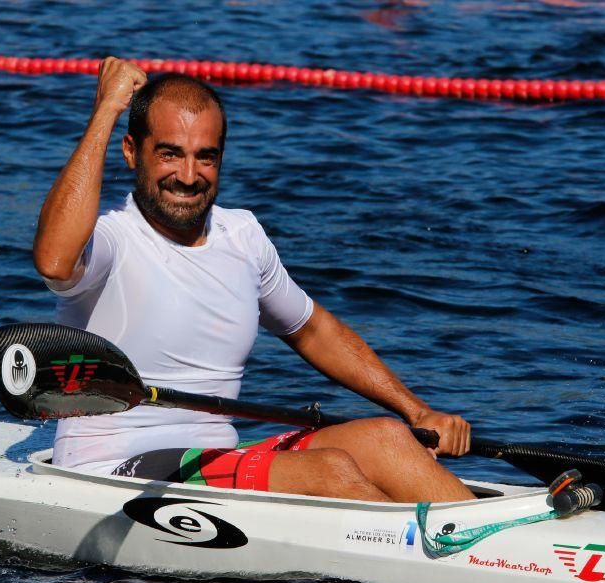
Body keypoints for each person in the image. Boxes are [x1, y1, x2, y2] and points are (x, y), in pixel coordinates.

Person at [33, 57, 475, 502]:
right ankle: (446, 563)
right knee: (329, 472)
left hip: (211, 460)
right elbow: (53, 260)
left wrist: (419, 411)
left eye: (205, 157)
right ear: (131, 152)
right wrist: (106, 110)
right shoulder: (111, 237)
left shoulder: (242, 235)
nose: (188, 176)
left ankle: (501, 550)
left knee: (388, 438)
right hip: (112, 469)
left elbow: (314, 330)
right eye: (170, 154)